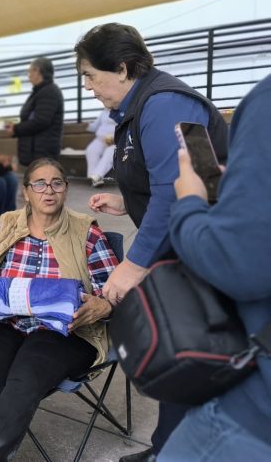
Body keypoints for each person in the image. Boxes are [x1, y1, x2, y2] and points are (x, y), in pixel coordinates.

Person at [75, 23, 229, 462]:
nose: (88, 87)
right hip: (186, 244)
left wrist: (132, 264)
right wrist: (129, 202)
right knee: (184, 355)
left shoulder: (164, 104)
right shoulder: (142, 104)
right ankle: (169, 449)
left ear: (121, 68)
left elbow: (183, 189)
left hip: (207, 251)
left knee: (194, 353)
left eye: (90, 75)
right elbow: (173, 177)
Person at [0, 158, 119, 461]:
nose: (49, 190)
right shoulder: (7, 225)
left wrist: (101, 304)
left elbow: (116, 290)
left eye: (57, 183)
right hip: (5, 321)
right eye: (39, 184)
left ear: (66, 190)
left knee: (23, 382)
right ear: (27, 192)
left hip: (63, 330)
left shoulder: (87, 233)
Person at [157, 75, 271, 460]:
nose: (87, 86)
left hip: (255, 415)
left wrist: (189, 202)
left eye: (90, 75)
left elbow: (235, 262)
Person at [6, 57, 64, 167]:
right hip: (36, 150)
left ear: (37, 71)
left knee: (42, 182)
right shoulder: (41, 91)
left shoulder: (48, 92)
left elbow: (40, 121)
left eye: (30, 71)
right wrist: (15, 128)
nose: (28, 75)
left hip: (41, 151)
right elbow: (32, 118)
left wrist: (16, 129)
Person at [85, 108, 116, 187]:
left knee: (110, 151)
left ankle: (97, 176)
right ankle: (92, 177)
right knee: (91, 150)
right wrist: (87, 125)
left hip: (115, 140)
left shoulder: (124, 110)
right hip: (100, 139)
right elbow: (94, 126)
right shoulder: (104, 112)